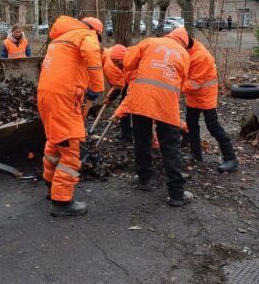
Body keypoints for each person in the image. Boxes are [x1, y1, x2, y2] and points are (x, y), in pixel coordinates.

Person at [114, 27, 192, 207]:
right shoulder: (184, 54)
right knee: (170, 146)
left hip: (142, 99)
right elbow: (183, 83)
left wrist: (136, 76)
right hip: (167, 102)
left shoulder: (149, 42)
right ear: (183, 42)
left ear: (169, 35)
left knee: (142, 140)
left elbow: (128, 62)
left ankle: (144, 180)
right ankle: (176, 194)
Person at [38, 16, 104, 217]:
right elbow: (92, 53)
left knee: (56, 141)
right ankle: (62, 201)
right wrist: (97, 86)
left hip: (46, 95)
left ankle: (51, 183)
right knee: (72, 148)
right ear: (96, 31)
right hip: (64, 98)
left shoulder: (60, 40)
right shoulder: (86, 34)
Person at [177, 27, 238, 172]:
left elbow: (195, 82)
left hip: (205, 97)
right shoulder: (186, 51)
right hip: (193, 96)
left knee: (213, 126)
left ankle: (231, 158)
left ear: (184, 43)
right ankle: (196, 154)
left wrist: (174, 90)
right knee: (191, 124)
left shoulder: (201, 56)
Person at [101, 44, 133, 143]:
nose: (116, 65)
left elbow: (119, 86)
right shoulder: (110, 52)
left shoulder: (108, 65)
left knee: (124, 108)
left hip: (132, 84)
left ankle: (127, 136)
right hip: (129, 83)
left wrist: (110, 98)